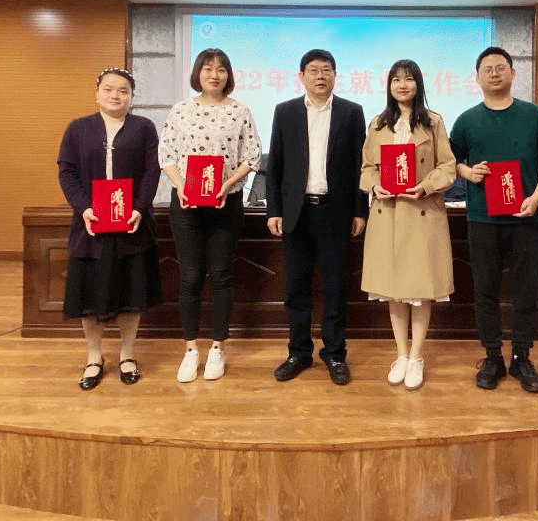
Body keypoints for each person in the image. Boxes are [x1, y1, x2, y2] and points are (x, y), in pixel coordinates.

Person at [449, 46, 538, 393]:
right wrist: (468, 172)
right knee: (484, 290)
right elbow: (450, 160)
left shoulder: (535, 116)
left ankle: (521, 357)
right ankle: (492, 356)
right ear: (477, 77)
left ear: (513, 73)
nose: (495, 73)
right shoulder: (467, 120)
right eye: (487, 69)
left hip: (526, 217)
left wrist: (536, 197)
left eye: (501, 67)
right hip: (482, 219)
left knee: (526, 289)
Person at [159, 49, 262, 383]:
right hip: (186, 203)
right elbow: (166, 154)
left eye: (221, 69)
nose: (214, 75)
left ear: (228, 75)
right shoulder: (180, 110)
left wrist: (228, 185)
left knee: (220, 275)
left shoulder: (240, 110)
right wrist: (181, 187)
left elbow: (252, 155)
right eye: (207, 69)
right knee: (190, 275)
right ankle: (191, 349)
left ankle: (218, 346)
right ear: (197, 73)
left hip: (225, 203)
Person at [266, 49, 368, 385]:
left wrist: (360, 210)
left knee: (335, 286)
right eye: (313, 70)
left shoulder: (351, 112)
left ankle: (335, 354)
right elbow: (276, 164)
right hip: (296, 212)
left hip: (334, 212)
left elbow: (360, 165)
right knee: (296, 287)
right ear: (301, 76)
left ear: (335, 76)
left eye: (326, 70)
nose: (320, 76)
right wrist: (274, 210)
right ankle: (298, 352)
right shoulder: (285, 112)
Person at [58, 67, 161, 390]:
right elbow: (66, 172)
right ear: (97, 92)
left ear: (132, 96)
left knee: (131, 293)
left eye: (123, 91)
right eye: (109, 89)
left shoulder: (144, 128)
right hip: (91, 224)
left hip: (132, 224)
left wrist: (139, 208)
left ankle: (127, 354)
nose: (115, 95)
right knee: (90, 293)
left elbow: (152, 171)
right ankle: (94, 356)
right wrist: (84, 208)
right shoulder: (78, 128)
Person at [360, 60, 456, 390]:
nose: (403, 85)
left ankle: (416, 357)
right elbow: (366, 168)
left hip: (422, 211)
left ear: (418, 84)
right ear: (389, 86)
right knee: (394, 291)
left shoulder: (433, 122)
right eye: (396, 79)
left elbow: (448, 166)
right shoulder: (377, 124)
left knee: (420, 289)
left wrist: (425, 186)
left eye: (409, 79)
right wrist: (375, 186)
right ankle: (401, 354)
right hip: (387, 213)